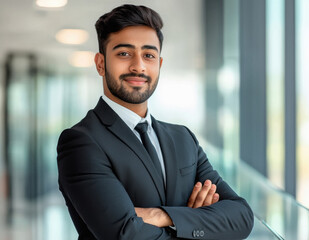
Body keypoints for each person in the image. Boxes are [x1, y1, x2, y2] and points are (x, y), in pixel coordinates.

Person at [57, 4, 254, 240]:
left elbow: (241, 217)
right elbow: (125, 235)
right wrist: (195, 222)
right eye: (124, 53)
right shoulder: (81, 141)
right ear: (101, 63)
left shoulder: (183, 139)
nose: (138, 66)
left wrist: (160, 215)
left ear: (159, 65)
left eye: (148, 55)